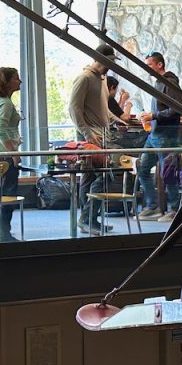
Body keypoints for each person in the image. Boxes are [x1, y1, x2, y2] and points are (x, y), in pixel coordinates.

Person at [68, 43, 119, 235]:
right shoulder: (84, 78)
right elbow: (74, 109)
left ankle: (91, 219)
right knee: (104, 174)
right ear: (98, 58)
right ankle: (87, 218)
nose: (110, 65)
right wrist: (88, 134)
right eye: (108, 61)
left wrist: (116, 120)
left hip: (101, 134)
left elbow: (103, 107)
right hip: (89, 136)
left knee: (90, 177)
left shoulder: (102, 79)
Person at [137, 52, 182, 223]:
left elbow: (176, 109)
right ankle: (152, 206)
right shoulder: (158, 83)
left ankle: (173, 209)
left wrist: (153, 116)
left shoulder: (169, 82)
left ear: (160, 65)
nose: (147, 68)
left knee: (169, 173)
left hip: (167, 136)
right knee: (142, 168)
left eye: (149, 65)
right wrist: (151, 118)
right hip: (154, 134)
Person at [0, 67, 22, 243]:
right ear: (7, 82)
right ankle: (4, 233)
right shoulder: (5, 104)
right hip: (3, 155)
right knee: (7, 195)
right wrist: (14, 153)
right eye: (17, 79)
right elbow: (1, 130)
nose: (20, 82)